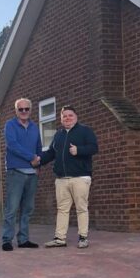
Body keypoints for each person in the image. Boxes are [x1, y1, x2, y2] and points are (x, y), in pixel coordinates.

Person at [39, 105, 98, 249]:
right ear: (61, 118)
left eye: (70, 115)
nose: (67, 118)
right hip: (61, 179)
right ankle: (60, 238)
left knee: (81, 208)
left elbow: (94, 148)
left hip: (80, 177)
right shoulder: (58, 135)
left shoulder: (85, 131)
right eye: (64, 116)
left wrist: (79, 150)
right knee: (62, 209)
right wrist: (38, 161)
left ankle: (83, 238)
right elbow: (51, 153)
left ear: (76, 117)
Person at [1, 98, 42, 251]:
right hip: (16, 172)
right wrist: (31, 158)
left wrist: (39, 164)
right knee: (12, 208)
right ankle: (7, 240)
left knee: (28, 208)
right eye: (21, 109)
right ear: (16, 111)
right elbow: (13, 146)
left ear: (30, 110)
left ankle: (23, 239)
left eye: (26, 109)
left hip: (32, 174)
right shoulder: (10, 125)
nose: (24, 112)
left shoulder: (34, 127)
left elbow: (39, 146)